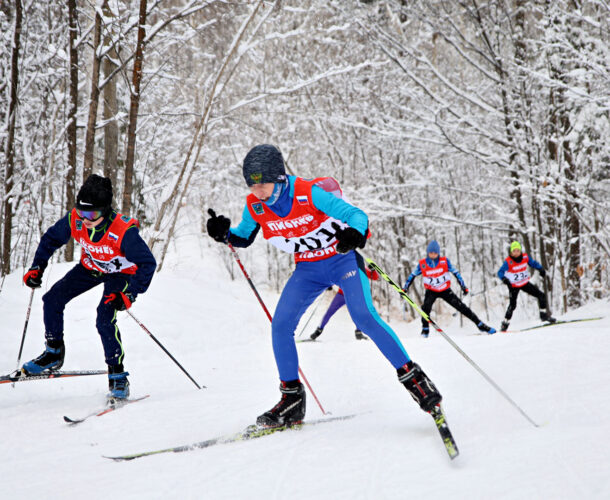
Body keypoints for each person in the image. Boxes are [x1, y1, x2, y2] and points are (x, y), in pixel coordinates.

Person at [207, 144, 443, 428]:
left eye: (263, 184)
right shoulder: (255, 205)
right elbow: (243, 236)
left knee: (364, 317)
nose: (258, 192)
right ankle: (291, 399)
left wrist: (355, 233)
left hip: (341, 261)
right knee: (280, 325)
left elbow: (357, 216)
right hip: (308, 269)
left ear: (279, 177)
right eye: (252, 185)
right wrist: (224, 235)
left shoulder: (307, 193)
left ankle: (414, 379)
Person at [21, 174, 157, 399]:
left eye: (91, 214)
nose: (85, 219)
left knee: (104, 318)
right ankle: (53, 352)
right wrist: (37, 267)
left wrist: (130, 294)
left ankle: (118, 376)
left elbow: (148, 263)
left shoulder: (123, 231)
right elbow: (51, 239)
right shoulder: (76, 219)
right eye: (81, 212)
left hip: (120, 273)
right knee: (52, 299)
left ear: (105, 210)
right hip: (91, 267)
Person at [403, 240, 496, 336]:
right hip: (431, 290)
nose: (433, 255)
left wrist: (463, 287)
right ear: (428, 253)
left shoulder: (444, 262)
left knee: (461, 306)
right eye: (431, 253)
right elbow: (412, 276)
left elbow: (456, 273)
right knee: (426, 308)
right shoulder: (423, 264)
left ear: (438, 253)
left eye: (435, 253)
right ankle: (425, 329)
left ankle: (480, 324)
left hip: (445, 290)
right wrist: (405, 288)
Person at [497, 241, 555, 332]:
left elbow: (533, 263)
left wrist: (540, 269)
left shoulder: (525, 257)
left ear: (520, 251)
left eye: (517, 250)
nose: (516, 253)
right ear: (511, 252)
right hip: (513, 286)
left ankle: (544, 316)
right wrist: (504, 279)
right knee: (513, 305)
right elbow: (500, 272)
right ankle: (505, 323)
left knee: (541, 295)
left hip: (524, 283)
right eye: (514, 251)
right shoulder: (508, 262)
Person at [310, 266, 380, 341]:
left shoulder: (361, 267)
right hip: (341, 295)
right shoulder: (344, 265)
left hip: (354, 296)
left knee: (357, 314)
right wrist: (329, 285)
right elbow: (334, 276)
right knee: (330, 312)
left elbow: (375, 277)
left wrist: (373, 269)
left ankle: (358, 332)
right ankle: (319, 330)